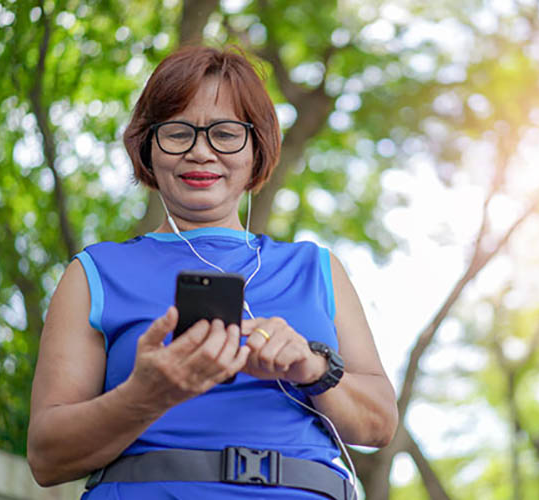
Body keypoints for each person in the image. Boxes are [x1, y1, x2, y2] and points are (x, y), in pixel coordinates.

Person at [27, 45, 399, 499]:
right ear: (148, 146)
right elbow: (46, 458)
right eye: (178, 132)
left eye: (225, 134)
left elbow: (380, 425)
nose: (201, 152)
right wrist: (146, 395)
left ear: (256, 147)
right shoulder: (94, 273)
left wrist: (313, 367)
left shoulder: (316, 267)